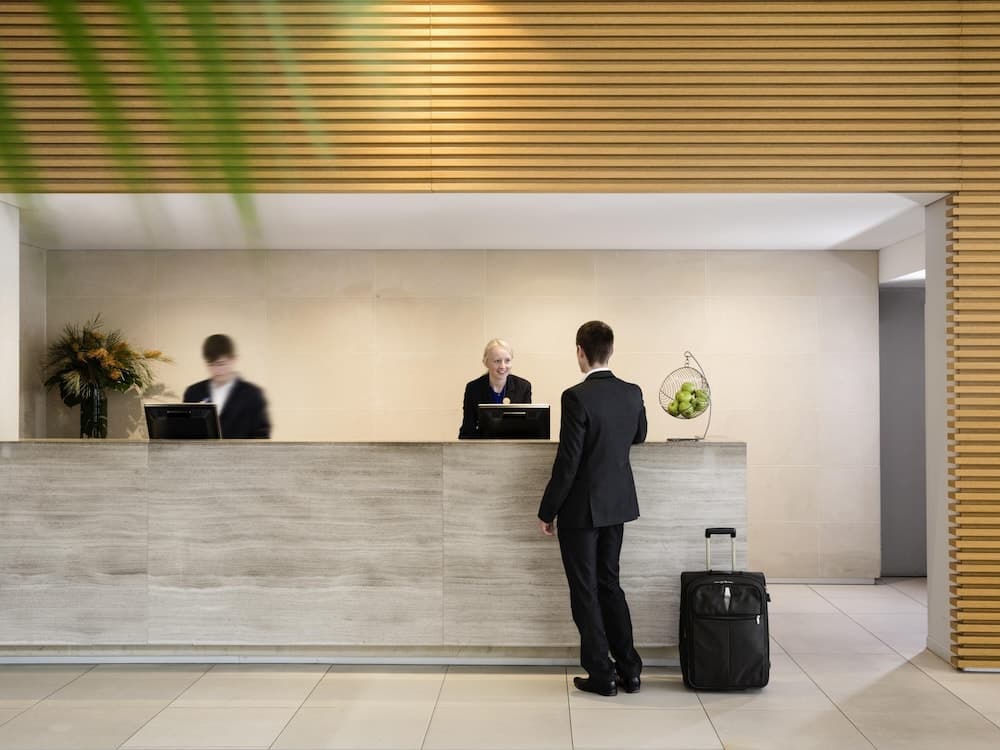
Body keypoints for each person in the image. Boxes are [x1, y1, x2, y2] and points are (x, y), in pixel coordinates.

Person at [537, 320, 647, 697]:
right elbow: (639, 435)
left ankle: (602, 674)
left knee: (585, 591)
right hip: (617, 505)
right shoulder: (632, 392)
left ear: (580, 352)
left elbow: (568, 462)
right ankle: (630, 669)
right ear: (611, 351)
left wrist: (547, 509)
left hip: (581, 511)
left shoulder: (575, 397)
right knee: (609, 584)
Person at [183, 334, 271, 439]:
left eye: (221, 364)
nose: (216, 370)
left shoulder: (252, 394)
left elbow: (261, 436)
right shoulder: (193, 392)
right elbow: (185, 432)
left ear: (233, 359)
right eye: (210, 364)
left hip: (242, 450)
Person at [458, 338, 532, 439]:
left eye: (507, 361)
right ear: (486, 362)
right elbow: (468, 428)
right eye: (497, 361)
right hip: (483, 446)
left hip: (514, 446)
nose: (503, 366)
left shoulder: (523, 387)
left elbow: (527, 428)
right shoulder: (473, 388)